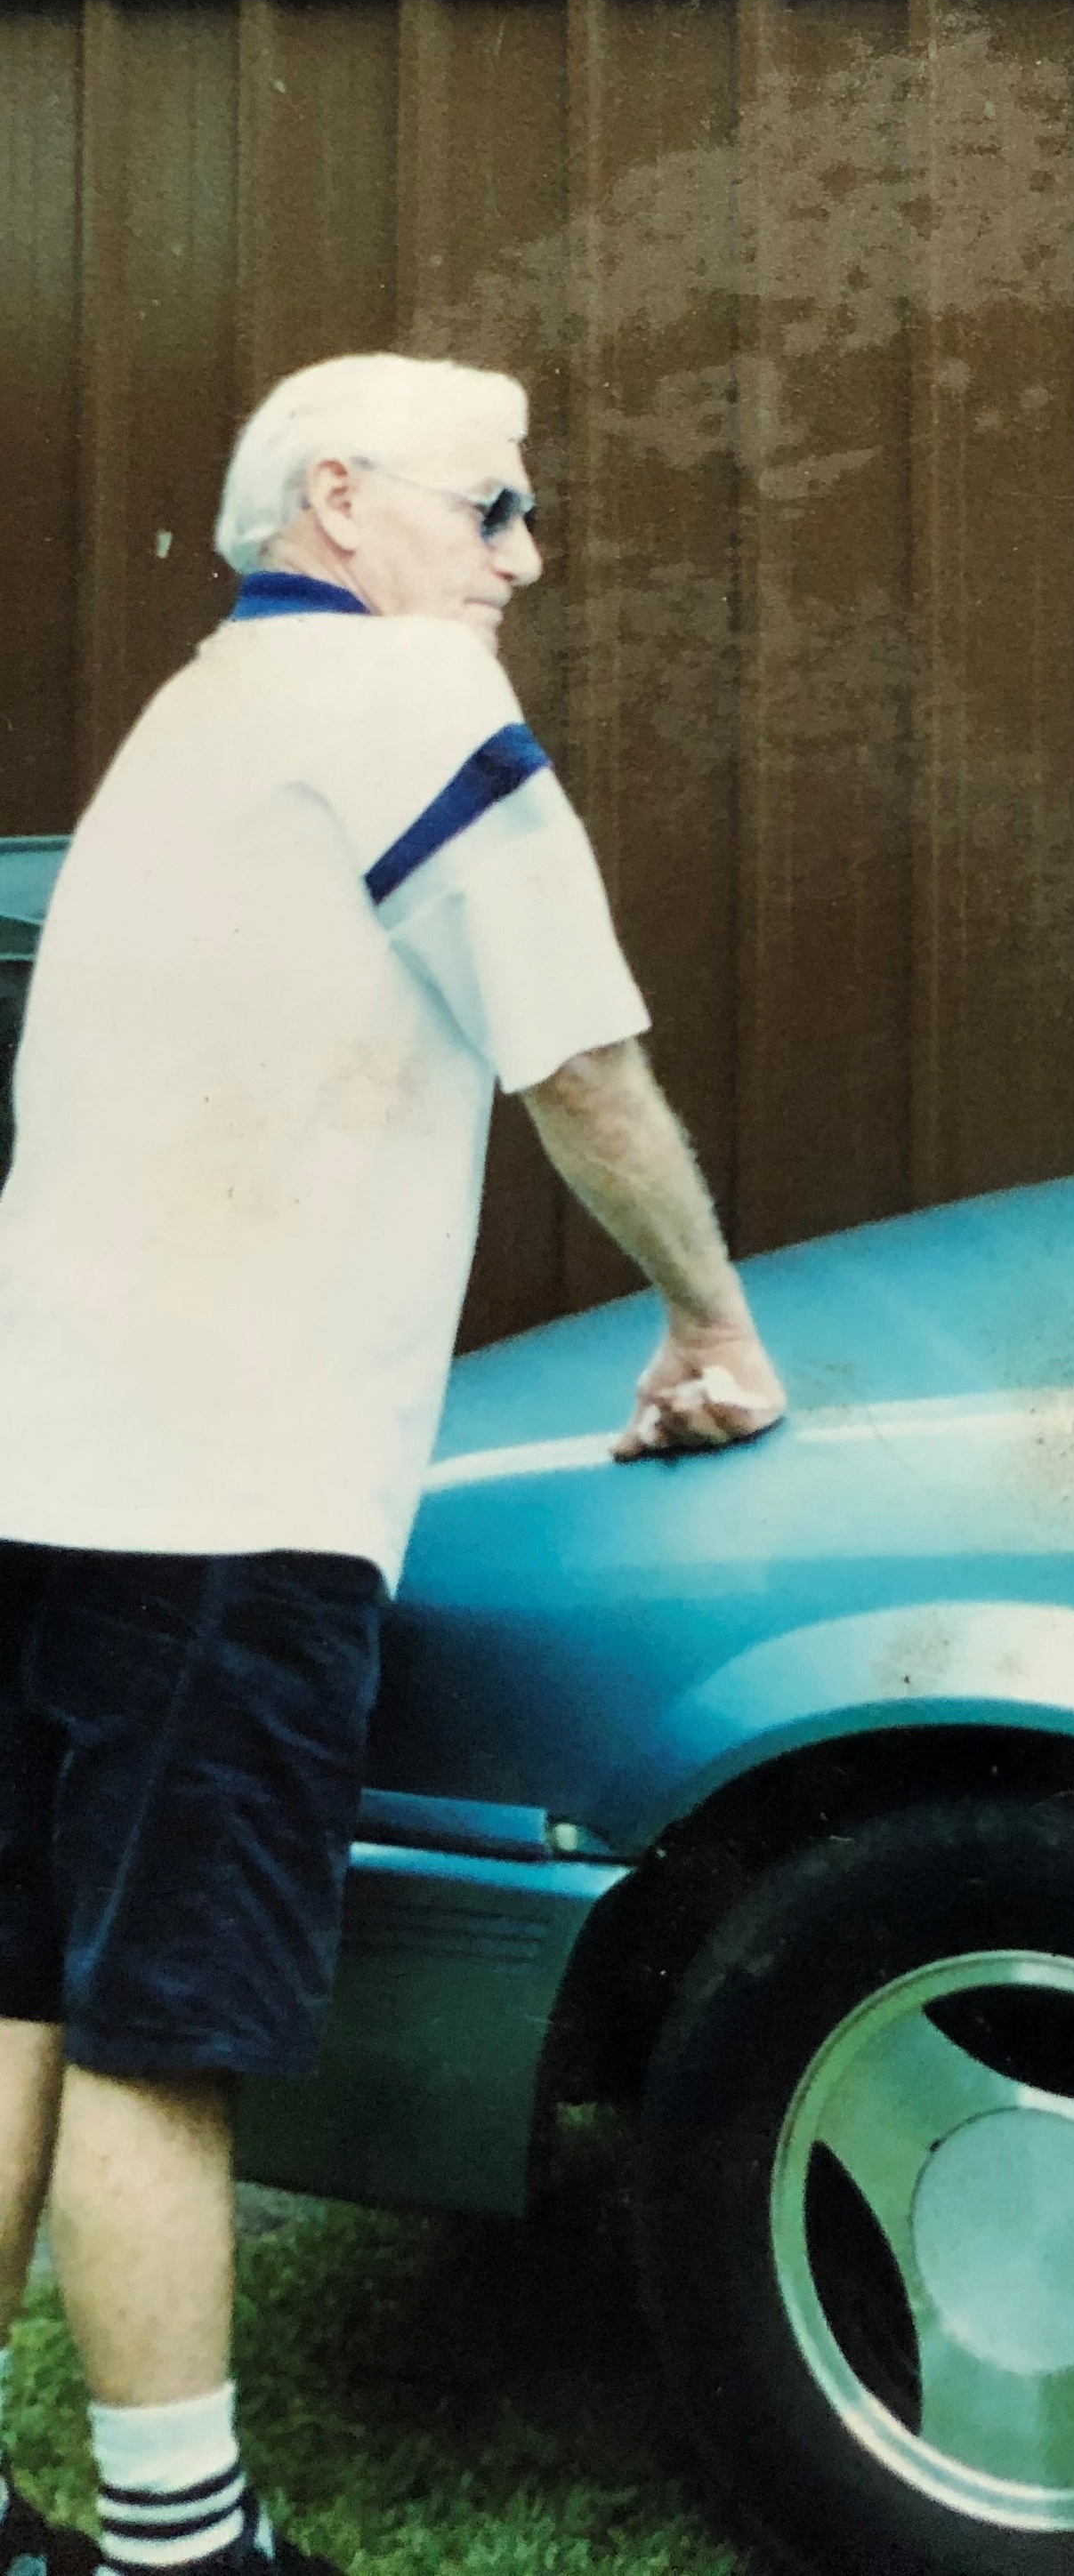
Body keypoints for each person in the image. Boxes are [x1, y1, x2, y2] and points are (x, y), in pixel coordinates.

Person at [0, 353, 787, 2576]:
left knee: (23, 1987)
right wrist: (710, 1322)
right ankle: (180, 2547)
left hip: (32, 1456)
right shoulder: (413, 712)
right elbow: (581, 1059)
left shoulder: (185, 723)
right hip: (221, 1491)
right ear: (339, 502)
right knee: (161, 2030)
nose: (527, 558)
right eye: (497, 508)